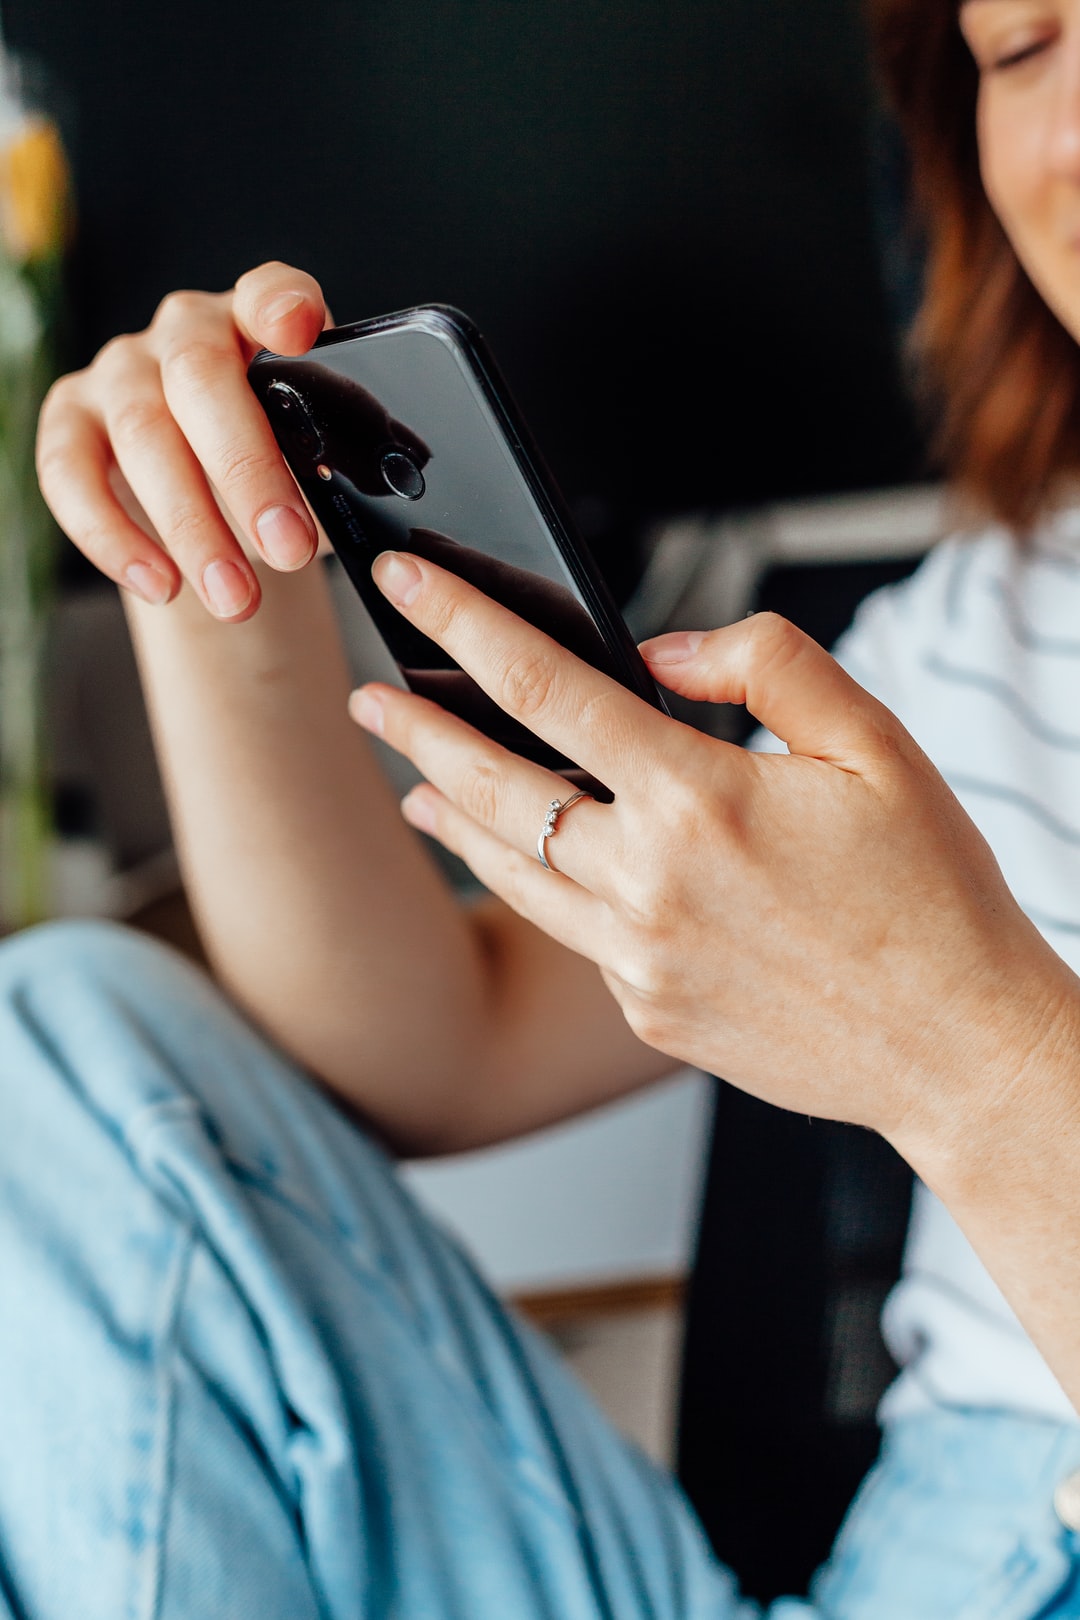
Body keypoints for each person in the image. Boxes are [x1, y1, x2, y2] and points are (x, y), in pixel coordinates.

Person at [14, 0, 1080, 1612]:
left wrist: (978, 1064)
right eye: (1022, 50)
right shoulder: (974, 638)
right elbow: (435, 1048)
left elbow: (970, 1066)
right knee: (58, 1039)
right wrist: (202, 551)